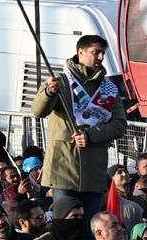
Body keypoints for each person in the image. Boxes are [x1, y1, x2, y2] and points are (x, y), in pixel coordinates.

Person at [32, 34, 127, 218]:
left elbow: (120, 125)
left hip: (93, 172)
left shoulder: (108, 89)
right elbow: (38, 111)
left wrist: (91, 136)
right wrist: (48, 93)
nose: (100, 57)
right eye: (95, 52)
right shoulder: (60, 81)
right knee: (65, 226)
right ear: (80, 52)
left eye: (103, 53)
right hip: (63, 170)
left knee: (89, 230)